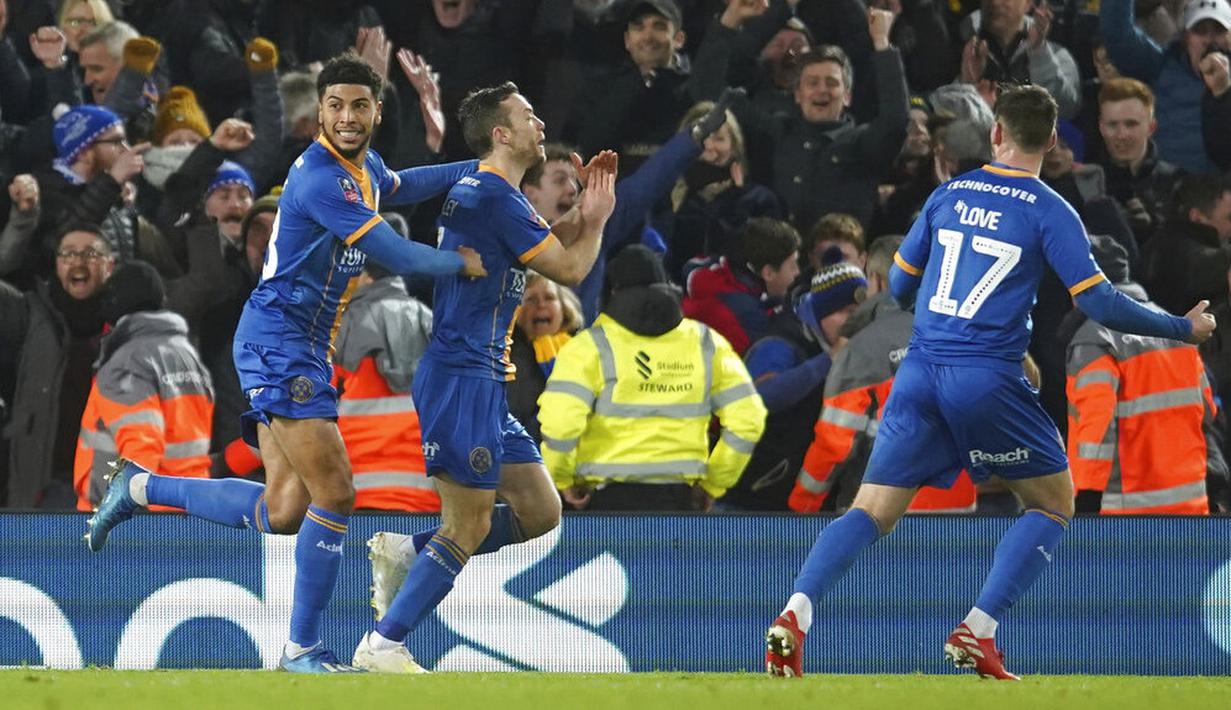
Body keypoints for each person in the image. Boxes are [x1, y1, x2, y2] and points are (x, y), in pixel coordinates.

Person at [763, 84, 1216, 680]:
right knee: (1054, 501)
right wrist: (1181, 326)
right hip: (987, 376)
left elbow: (898, 290)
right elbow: (1101, 302)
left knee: (871, 509)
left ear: (996, 134)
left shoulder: (947, 195)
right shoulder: (1050, 209)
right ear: (1052, 140)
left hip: (921, 371)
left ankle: (795, 613)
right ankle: (978, 629)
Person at [83, 52, 486, 674]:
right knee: (337, 491)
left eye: (358, 105)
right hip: (282, 342)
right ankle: (300, 649)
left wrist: (483, 168)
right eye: (334, 105)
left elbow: (406, 184)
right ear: (320, 111)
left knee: (285, 510)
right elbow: (396, 255)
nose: (347, 117)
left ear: (376, 110)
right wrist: (461, 262)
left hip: (297, 342)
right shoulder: (322, 177)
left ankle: (137, 486)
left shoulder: (366, 167)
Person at [352, 81, 617, 673]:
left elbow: (546, 248)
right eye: (528, 115)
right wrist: (596, 221)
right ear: (501, 133)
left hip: (481, 377)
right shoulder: (496, 197)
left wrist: (582, 212)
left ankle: (405, 552)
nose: (539, 122)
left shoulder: (490, 192)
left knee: (540, 512)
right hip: (461, 375)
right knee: (467, 522)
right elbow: (571, 267)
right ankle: (384, 645)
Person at [1067, 234, 1226, 515]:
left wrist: (1086, 499)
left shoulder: (1096, 338)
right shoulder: (1177, 329)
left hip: (1126, 513)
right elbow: (1207, 411)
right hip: (1190, 503)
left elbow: (1096, 428)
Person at [73, 260, 212, 509]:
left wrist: (116, 518)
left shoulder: (128, 361)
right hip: (188, 508)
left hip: (134, 522)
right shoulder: (185, 354)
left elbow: (139, 451)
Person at [1, 223, 113, 509]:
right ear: (56, 265)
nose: (78, 261)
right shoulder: (30, 312)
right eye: (68, 254)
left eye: (90, 253)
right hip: (42, 481)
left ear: (109, 265)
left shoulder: (127, 324)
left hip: (104, 486)